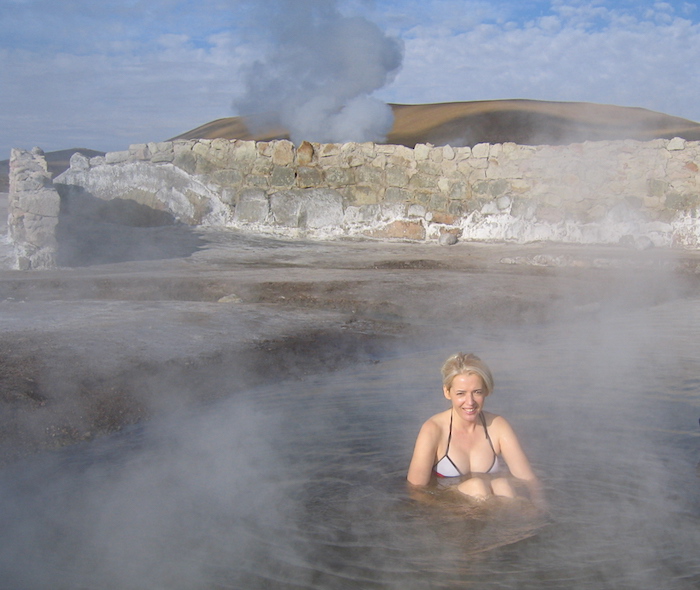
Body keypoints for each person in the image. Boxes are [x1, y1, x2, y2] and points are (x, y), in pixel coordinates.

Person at [407, 353, 544, 507]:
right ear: (447, 392)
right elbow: (416, 491)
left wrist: (539, 507)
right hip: (452, 510)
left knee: (502, 485)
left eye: (477, 392)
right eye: (461, 393)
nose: (470, 402)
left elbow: (528, 479)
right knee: (477, 487)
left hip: (491, 507)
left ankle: (515, 529)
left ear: (486, 390)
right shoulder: (433, 430)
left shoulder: (498, 426)